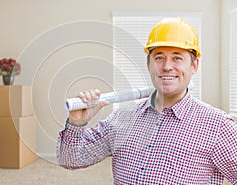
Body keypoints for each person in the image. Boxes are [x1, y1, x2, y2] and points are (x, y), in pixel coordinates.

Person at [56, 17, 237, 184]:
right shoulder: (122, 118)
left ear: (194, 65)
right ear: (148, 64)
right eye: (159, 58)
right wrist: (77, 123)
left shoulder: (218, 126)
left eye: (177, 58)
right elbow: (70, 160)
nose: (167, 66)